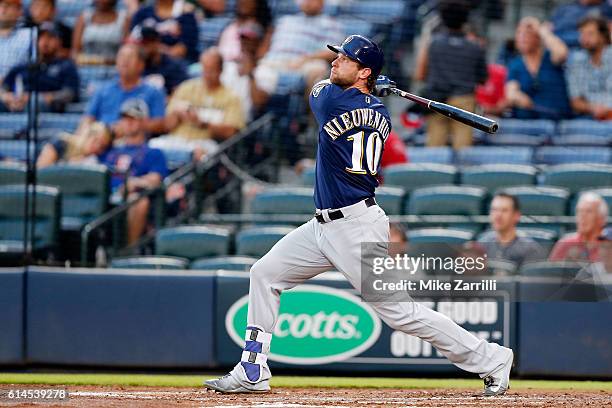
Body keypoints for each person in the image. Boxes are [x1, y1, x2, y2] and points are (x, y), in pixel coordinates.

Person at [204, 34, 513, 397]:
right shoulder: (380, 113)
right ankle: (252, 368)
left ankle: (491, 358)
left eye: (346, 59)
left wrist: (365, 90)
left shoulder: (331, 99)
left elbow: (319, 88)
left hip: (355, 229)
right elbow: (359, 105)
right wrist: (369, 92)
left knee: (402, 314)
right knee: (265, 273)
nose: (335, 62)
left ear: (364, 71)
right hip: (323, 227)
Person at [414, 0, 487, 149]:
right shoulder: (475, 47)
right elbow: (483, 78)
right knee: (463, 151)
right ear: (465, 19)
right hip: (464, 101)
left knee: (434, 151)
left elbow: (420, 75)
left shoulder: (433, 44)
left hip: (437, 101)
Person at [102, 98, 168, 245]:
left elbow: (155, 179)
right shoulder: (110, 151)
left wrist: (133, 183)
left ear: (144, 122)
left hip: (129, 197)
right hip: (106, 196)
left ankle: (129, 250)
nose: (129, 122)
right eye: (125, 118)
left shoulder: (154, 152)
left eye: (134, 118)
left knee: (139, 201)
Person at [162, 47, 244, 155]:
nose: (207, 74)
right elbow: (166, 126)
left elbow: (232, 132)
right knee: (152, 149)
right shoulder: (186, 88)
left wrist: (202, 123)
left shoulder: (231, 97)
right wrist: (177, 114)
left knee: (198, 154)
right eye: (205, 69)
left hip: (206, 144)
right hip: (176, 140)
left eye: (211, 70)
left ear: (220, 70)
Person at [253, 0, 343, 95]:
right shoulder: (285, 20)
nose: (307, 2)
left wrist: (305, 59)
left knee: (318, 69)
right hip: (275, 62)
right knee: (255, 73)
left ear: (321, 3)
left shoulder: (330, 24)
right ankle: (257, 109)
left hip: (306, 62)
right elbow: (266, 46)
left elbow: (331, 52)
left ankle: (312, 109)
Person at [81, 44, 167, 135]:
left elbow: (160, 124)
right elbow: (88, 118)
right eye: (121, 56)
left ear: (141, 65)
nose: (124, 60)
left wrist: (132, 125)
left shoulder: (153, 92)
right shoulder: (102, 90)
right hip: (100, 142)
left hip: (135, 143)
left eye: (130, 57)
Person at [0, 22, 79, 113]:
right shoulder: (23, 66)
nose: (45, 42)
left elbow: (69, 94)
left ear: (59, 41)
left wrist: (38, 97)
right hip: (16, 103)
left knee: (35, 103)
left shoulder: (66, 66)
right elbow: (4, 87)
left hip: (46, 110)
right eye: (41, 37)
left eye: (50, 37)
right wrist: (7, 97)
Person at [505, 17, 572, 120]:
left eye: (527, 33)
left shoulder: (550, 57)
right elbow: (511, 92)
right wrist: (517, 97)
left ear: (538, 37)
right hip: (527, 122)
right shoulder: (515, 64)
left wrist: (541, 30)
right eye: (519, 33)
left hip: (557, 120)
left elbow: (562, 53)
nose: (522, 37)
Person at [477, 193, 545, 267]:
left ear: (516, 215)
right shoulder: (482, 244)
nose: (498, 215)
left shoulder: (530, 249)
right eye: (494, 210)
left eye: (504, 210)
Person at [221, 22, 270, 121]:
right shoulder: (227, 66)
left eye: (250, 39)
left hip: (241, 123)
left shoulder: (267, 71)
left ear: (259, 42)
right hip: (219, 114)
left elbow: (259, 102)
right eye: (243, 39)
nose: (245, 43)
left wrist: (250, 75)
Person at [566, 16, 612, 120]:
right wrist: (594, 108)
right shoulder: (576, 61)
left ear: (603, 36)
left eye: (590, 33)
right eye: (582, 33)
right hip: (589, 119)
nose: (584, 38)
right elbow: (576, 102)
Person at [129, 0, 199, 63]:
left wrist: (156, 50)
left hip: (176, 66)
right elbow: (132, 43)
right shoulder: (143, 13)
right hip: (144, 64)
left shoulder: (186, 14)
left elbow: (182, 50)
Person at [549, 192, 608, 262]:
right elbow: (550, 271)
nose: (582, 216)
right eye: (579, 211)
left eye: (589, 211)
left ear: (601, 219)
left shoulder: (609, 247)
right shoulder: (565, 244)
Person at [72, 0, 130, 66]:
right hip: (86, 69)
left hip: (114, 68)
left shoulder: (124, 18)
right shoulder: (84, 17)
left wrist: (109, 61)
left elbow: (127, 50)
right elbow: (75, 52)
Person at [36, 122, 112, 168]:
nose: (96, 147)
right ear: (87, 135)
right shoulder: (61, 142)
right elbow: (41, 169)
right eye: (95, 140)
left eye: (101, 146)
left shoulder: (93, 161)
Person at [140, 26, 188, 95]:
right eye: (142, 43)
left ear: (157, 42)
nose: (145, 47)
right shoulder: (139, 66)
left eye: (148, 42)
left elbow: (180, 91)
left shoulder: (173, 66)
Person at [0, 0, 31, 81]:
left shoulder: (30, 35)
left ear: (19, 11)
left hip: (17, 88)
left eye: (7, 6)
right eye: (1, 5)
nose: (3, 9)